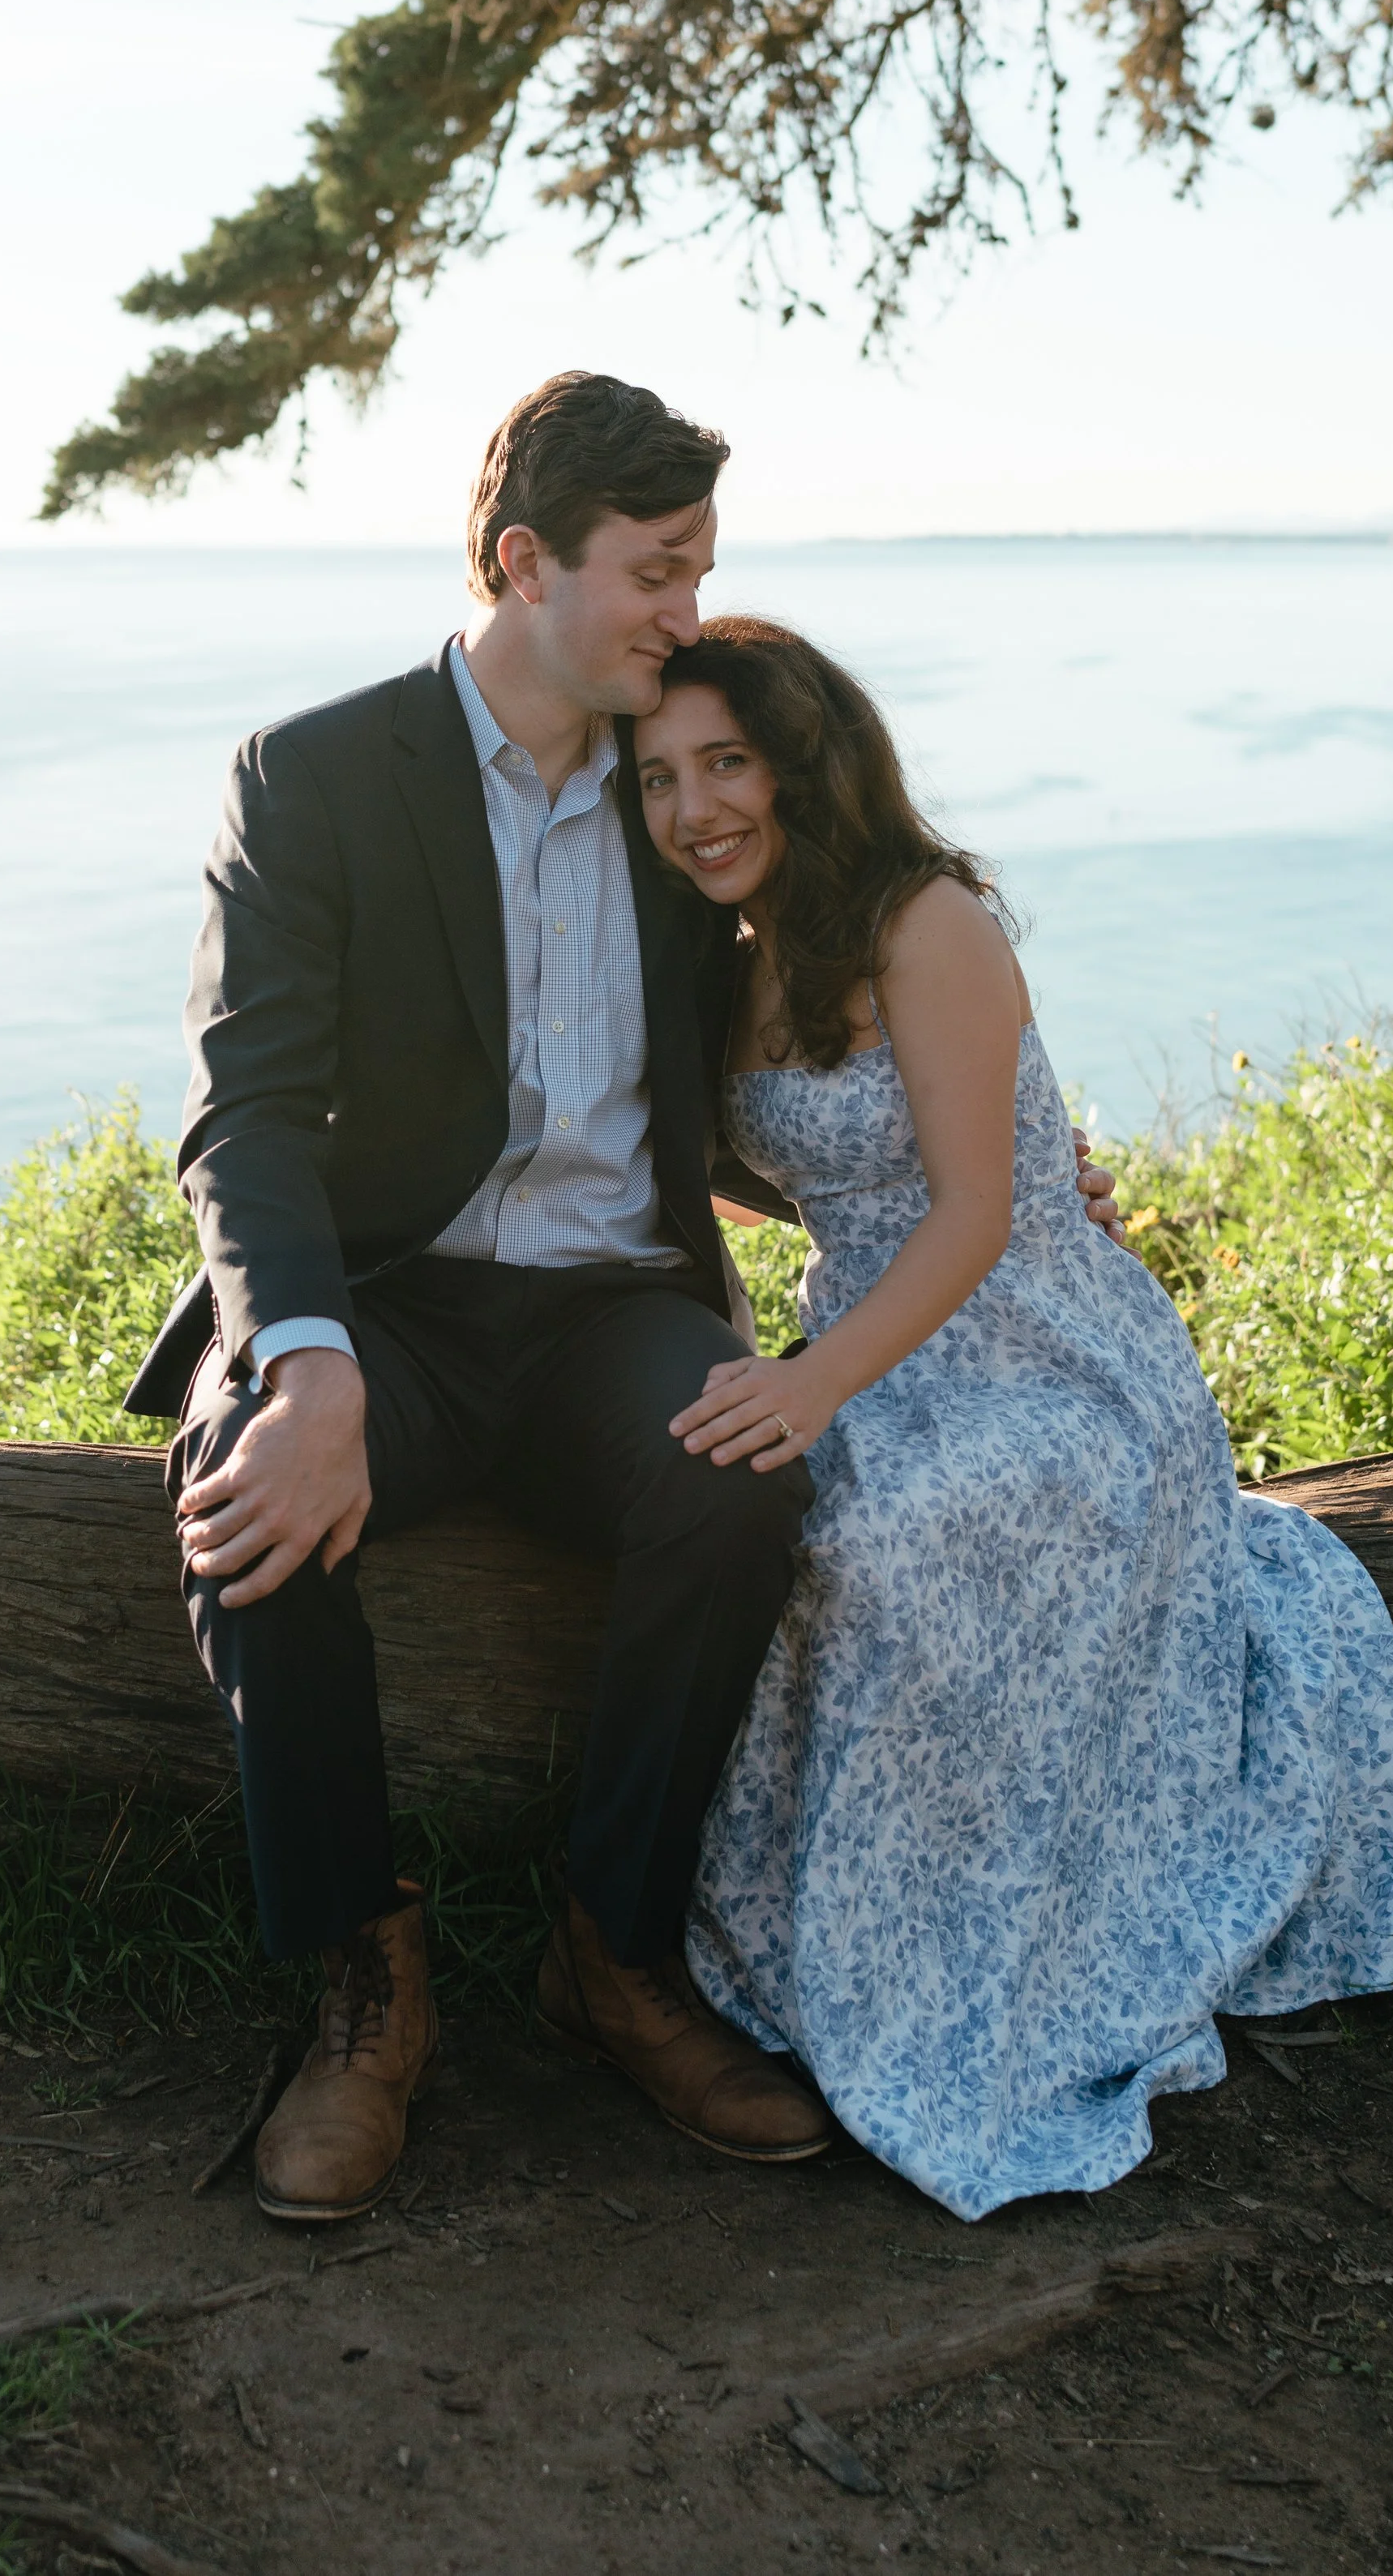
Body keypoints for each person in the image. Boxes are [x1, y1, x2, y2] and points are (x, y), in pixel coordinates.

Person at [131, 373, 1122, 2224]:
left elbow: (803, 1037)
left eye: (698, 573)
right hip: (390, 1299)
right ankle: (363, 1978)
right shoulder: (317, 773)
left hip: (613, 1306)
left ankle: (615, 1955)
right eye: (656, 571)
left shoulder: (684, 792)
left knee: (735, 1480)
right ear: (527, 564)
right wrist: (309, 1360)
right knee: (249, 1495)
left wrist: (983, 1166)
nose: (686, 612)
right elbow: (242, 1116)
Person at [630, 618, 1393, 2222]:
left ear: (805, 758)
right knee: (808, 1544)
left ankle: (977, 1976)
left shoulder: (928, 923)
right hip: (875, 1330)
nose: (693, 806)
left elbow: (976, 1214)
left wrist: (809, 1380)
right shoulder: (734, 954)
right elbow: (769, 1162)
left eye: (725, 762)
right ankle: (833, 1962)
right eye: (656, 777)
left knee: (905, 1547)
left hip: (1042, 1352)